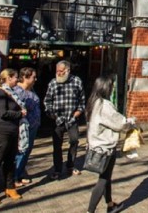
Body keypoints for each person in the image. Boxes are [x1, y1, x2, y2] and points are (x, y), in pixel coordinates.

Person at [85, 75, 134, 213]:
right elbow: (120, 123)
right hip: (105, 147)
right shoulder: (104, 105)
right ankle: (90, 210)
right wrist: (131, 122)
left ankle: (110, 204)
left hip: (96, 144)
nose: (112, 89)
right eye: (111, 86)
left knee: (106, 176)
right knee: (104, 179)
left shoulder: (93, 102)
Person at [0, 69, 26, 206]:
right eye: (16, 77)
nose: (17, 79)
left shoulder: (12, 93)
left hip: (12, 131)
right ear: (8, 78)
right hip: (0, 132)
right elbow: (2, 113)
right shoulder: (0, 93)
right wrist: (20, 114)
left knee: (10, 161)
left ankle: (10, 187)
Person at [44, 60, 86, 179]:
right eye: (57, 71)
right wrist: (51, 113)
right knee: (57, 145)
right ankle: (57, 169)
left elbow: (82, 100)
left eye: (61, 71)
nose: (58, 73)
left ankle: (70, 165)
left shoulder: (77, 81)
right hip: (57, 119)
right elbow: (47, 101)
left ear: (68, 70)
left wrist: (78, 113)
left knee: (74, 141)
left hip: (72, 118)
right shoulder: (53, 83)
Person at [14, 67, 41, 187]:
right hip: (23, 126)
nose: (35, 79)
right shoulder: (17, 91)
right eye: (33, 77)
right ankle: (14, 177)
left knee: (27, 150)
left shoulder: (31, 89)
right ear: (25, 77)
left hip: (33, 125)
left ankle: (20, 174)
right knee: (21, 151)